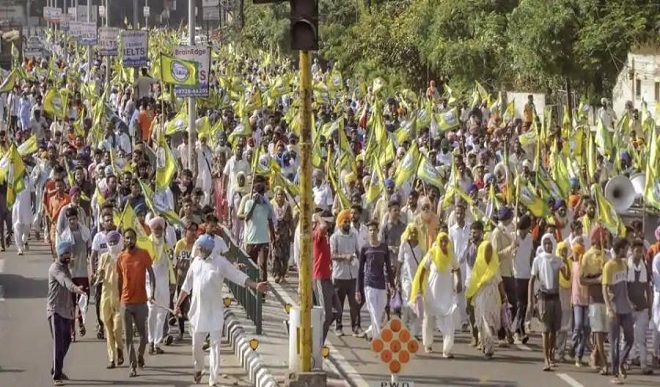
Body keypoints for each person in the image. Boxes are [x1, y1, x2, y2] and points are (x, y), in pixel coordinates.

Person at [174, 234, 269, 385]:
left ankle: (213, 380)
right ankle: (198, 368)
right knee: (196, 346)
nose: (197, 250)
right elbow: (186, 286)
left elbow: (237, 276)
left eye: (199, 247)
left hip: (215, 312)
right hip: (198, 312)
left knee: (215, 347)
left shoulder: (220, 263)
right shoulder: (196, 263)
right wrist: (177, 304)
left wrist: (255, 286)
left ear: (206, 249)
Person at [410, 232, 462, 357]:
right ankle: (427, 344)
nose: (444, 243)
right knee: (428, 319)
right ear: (438, 241)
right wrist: (420, 290)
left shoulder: (451, 254)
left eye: (446, 241)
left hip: (446, 293)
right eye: (441, 241)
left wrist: (458, 281)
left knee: (448, 319)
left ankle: (447, 350)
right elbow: (423, 270)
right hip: (431, 293)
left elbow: (457, 268)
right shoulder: (432, 253)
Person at [117, 228, 156, 378]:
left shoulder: (144, 254)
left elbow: (151, 275)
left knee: (144, 337)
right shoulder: (121, 257)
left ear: (135, 239)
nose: (129, 240)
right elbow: (119, 280)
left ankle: (140, 355)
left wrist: (152, 292)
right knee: (128, 337)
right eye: (127, 238)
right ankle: (132, 365)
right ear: (124, 240)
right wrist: (119, 299)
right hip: (126, 303)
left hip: (141, 301)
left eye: (132, 238)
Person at [48, 240, 86, 386]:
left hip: (66, 311)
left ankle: (55, 367)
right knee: (58, 343)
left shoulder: (66, 267)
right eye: (65, 254)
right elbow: (65, 282)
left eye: (69, 253)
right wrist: (76, 288)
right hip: (55, 310)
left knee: (67, 340)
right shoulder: (55, 268)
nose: (68, 256)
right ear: (59, 254)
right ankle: (57, 376)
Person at [528, 234, 569, 371]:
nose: (548, 246)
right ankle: (546, 359)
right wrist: (530, 301)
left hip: (555, 298)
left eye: (550, 243)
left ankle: (551, 355)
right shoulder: (538, 260)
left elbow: (567, 276)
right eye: (545, 243)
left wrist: (565, 262)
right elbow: (532, 280)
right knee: (545, 330)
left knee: (553, 330)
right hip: (543, 298)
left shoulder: (557, 260)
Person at [466, 241, 506, 358]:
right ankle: (485, 344)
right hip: (480, 298)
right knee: (482, 322)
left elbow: (500, 282)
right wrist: (468, 299)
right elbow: (472, 284)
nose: (488, 252)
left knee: (489, 322)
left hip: (493, 297)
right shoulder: (478, 267)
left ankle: (489, 347)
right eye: (486, 250)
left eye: (490, 250)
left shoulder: (495, 266)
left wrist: (504, 297)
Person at [603, 238, 635, 384]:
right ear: (620, 249)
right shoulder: (609, 266)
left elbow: (625, 287)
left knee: (630, 338)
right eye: (626, 248)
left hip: (625, 308)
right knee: (614, 342)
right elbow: (605, 288)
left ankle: (621, 361)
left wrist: (629, 302)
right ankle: (615, 374)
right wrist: (609, 308)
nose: (628, 251)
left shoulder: (623, 264)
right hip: (614, 309)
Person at [356, 219, 395, 340]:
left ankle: (370, 333)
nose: (372, 232)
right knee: (373, 310)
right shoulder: (365, 248)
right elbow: (360, 270)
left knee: (379, 311)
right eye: (370, 230)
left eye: (374, 230)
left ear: (378, 231)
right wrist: (358, 289)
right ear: (368, 232)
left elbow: (388, 267)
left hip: (381, 284)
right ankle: (378, 339)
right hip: (369, 284)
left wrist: (392, 285)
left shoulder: (383, 248)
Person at [58, 207, 92, 341]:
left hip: (83, 272)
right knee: (71, 304)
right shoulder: (64, 236)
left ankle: (81, 322)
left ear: (77, 218)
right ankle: (72, 331)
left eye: (74, 218)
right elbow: (61, 256)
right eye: (70, 219)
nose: (72, 221)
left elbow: (90, 250)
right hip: (71, 274)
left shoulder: (85, 232)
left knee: (84, 301)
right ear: (67, 220)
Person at [580, 226, 610, 375]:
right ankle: (603, 361)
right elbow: (582, 280)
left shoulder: (607, 255)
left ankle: (595, 354)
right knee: (598, 330)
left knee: (605, 331)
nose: (605, 239)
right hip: (595, 299)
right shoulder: (587, 256)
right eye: (603, 236)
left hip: (607, 299)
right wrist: (596, 279)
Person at [95, 230, 125, 369]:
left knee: (117, 328)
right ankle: (112, 358)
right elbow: (98, 278)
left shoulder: (123, 257)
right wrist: (98, 275)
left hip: (119, 297)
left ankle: (120, 348)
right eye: (110, 242)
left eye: (115, 242)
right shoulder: (104, 257)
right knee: (108, 328)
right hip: (106, 296)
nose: (112, 245)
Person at [146, 216, 175, 355]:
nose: (157, 231)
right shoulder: (147, 244)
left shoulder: (167, 244)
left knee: (162, 313)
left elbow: (173, 263)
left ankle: (157, 343)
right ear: (151, 229)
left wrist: (173, 282)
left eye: (160, 228)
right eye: (155, 228)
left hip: (164, 282)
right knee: (152, 311)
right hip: (150, 282)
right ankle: (150, 341)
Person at [238, 176, 275, 282]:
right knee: (251, 265)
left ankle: (263, 292)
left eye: (261, 193)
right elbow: (246, 218)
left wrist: (273, 237)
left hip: (264, 240)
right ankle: (252, 287)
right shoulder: (248, 203)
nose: (258, 195)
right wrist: (254, 203)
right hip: (251, 239)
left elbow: (270, 220)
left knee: (263, 265)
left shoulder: (267, 206)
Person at [330, 209, 361, 337]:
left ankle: (356, 328)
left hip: (353, 275)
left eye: (349, 221)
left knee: (355, 304)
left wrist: (359, 262)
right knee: (339, 304)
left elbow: (358, 251)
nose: (348, 224)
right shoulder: (334, 237)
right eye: (345, 222)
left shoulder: (354, 235)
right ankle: (338, 327)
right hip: (339, 276)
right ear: (340, 223)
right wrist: (345, 257)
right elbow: (332, 255)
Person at [312, 212, 341, 342]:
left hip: (328, 278)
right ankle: (318, 343)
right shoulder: (317, 234)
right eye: (327, 222)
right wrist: (317, 216)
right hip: (319, 278)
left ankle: (317, 332)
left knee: (337, 310)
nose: (329, 225)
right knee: (326, 315)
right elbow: (322, 226)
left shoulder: (326, 237)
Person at [627, 239, 653, 375]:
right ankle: (628, 360)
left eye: (640, 251)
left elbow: (648, 289)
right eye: (636, 251)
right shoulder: (627, 266)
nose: (639, 254)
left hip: (642, 308)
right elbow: (624, 288)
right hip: (629, 308)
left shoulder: (645, 267)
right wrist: (628, 303)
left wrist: (649, 306)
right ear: (632, 251)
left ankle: (644, 364)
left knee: (642, 338)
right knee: (627, 337)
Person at [173, 220, 198, 342]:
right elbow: (175, 263)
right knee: (180, 308)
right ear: (185, 231)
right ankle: (181, 332)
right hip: (182, 281)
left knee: (194, 306)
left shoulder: (197, 245)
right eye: (191, 230)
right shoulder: (179, 244)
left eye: (195, 230)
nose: (193, 233)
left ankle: (195, 331)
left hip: (194, 281)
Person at [399, 223, 424, 338]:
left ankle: (414, 331)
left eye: (415, 232)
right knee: (406, 302)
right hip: (405, 278)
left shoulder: (421, 247)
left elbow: (424, 265)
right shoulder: (404, 244)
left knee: (416, 303)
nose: (413, 234)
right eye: (411, 232)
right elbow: (400, 261)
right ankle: (404, 326)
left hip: (417, 280)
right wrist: (395, 277)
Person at [512, 215, 533, 344]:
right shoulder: (514, 236)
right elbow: (510, 252)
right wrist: (513, 249)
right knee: (519, 304)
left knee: (525, 304)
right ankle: (519, 330)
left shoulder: (530, 237)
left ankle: (518, 330)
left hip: (527, 274)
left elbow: (531, 254)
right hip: (517, 274)